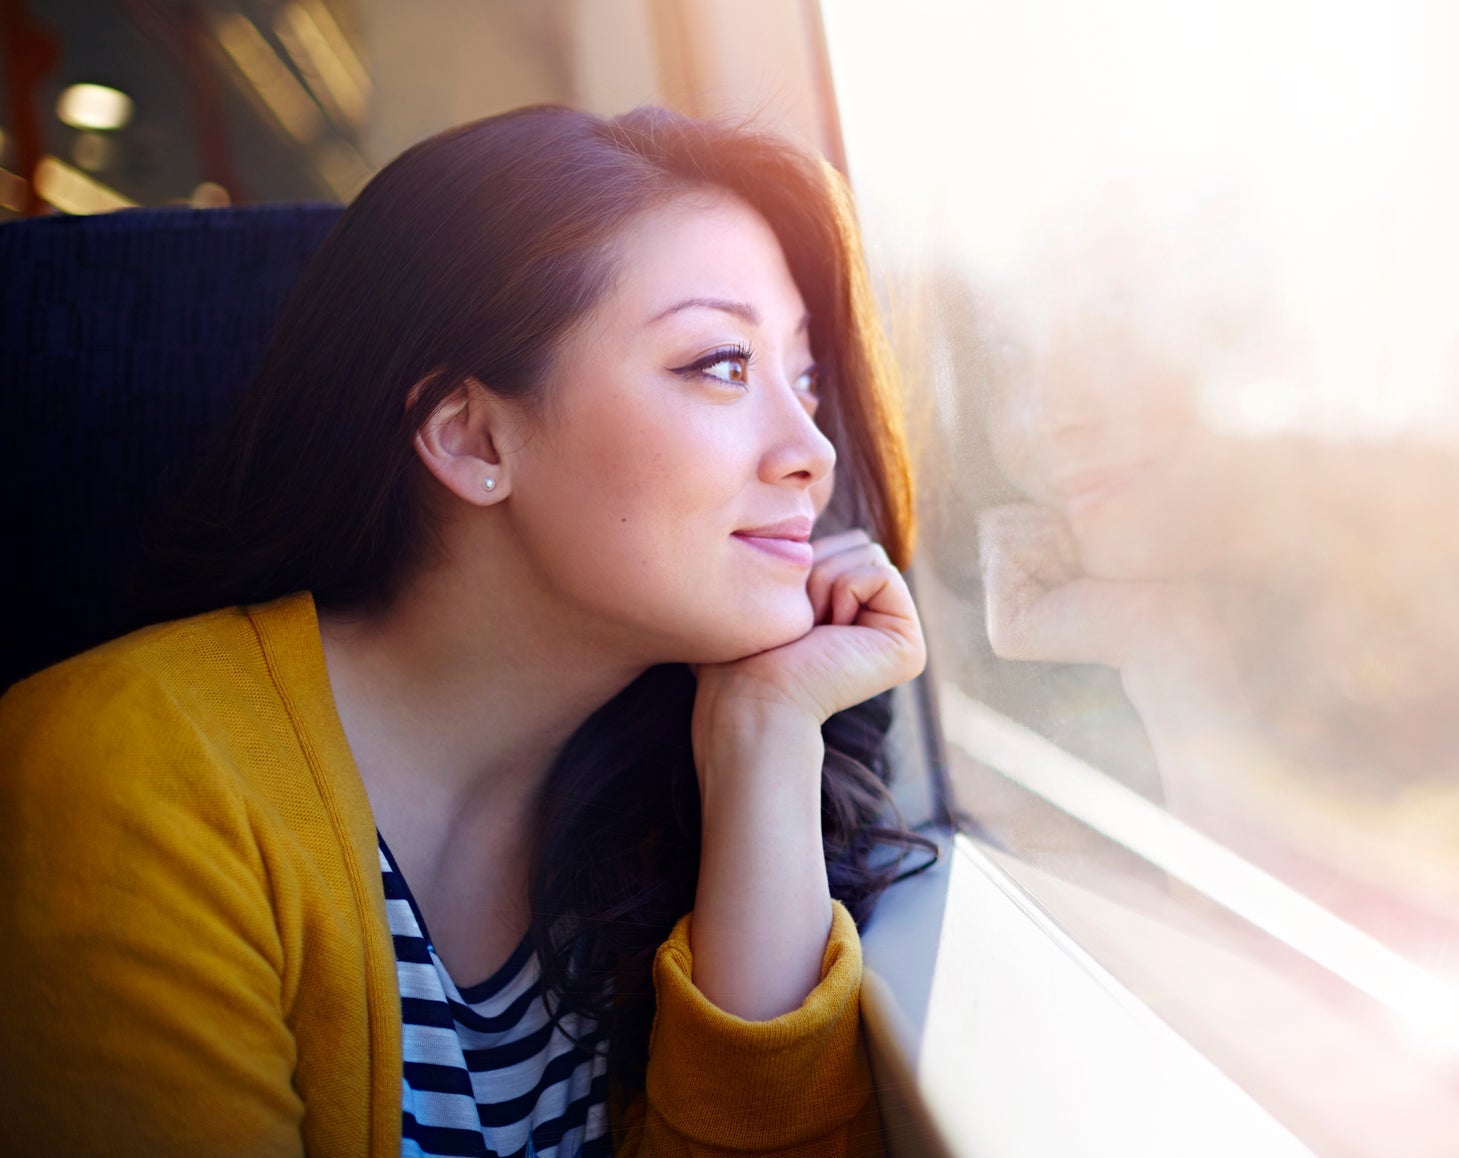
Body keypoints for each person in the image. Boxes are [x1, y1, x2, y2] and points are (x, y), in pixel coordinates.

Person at [0, 104, 934, 1157]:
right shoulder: (131, 778)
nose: (811, 449)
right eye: (721, 362)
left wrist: (764, 735)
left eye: (804, 377)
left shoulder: (654, 799)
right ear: (471, 435)